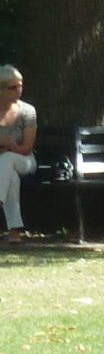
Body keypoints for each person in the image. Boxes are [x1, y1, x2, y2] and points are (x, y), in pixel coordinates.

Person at [0, 65, 35, 243]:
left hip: (24, 160)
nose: (18, 90)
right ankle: (14, 232)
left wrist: (8, 146)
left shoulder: (27, 111)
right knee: (11, 178)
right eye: (12, 87)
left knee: (7, 159)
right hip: (4, 166)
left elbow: (27, 147)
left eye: (20, 86)